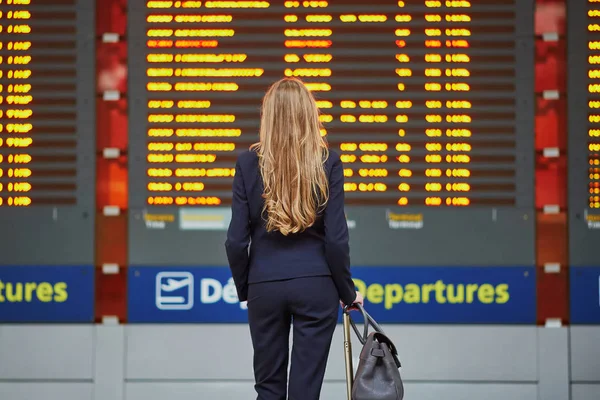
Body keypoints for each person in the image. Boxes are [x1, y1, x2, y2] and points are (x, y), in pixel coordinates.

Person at [225, 77, 363, 400]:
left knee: (269, 389)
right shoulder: (328, 162)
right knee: (305, 392)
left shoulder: (247, 164)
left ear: (268, 117)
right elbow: (337, 241)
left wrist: (248, 286)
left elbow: (234, 242)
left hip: (264, 288)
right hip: (316, 287)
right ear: (310, 115)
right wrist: (347, 292)